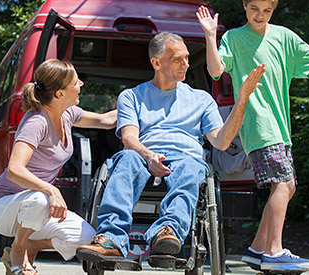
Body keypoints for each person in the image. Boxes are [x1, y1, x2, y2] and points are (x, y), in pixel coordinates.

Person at [196, 0, 309, 270]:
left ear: (273, 11)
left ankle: (257, 249)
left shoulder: (284, 37)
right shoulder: (234, 38)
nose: (259, 15)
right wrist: (210, 36)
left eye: (266, 11)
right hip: (257, 123)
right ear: (245, 6)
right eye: (254, 8)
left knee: (285, 186)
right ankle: (274, 251)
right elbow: (215, 71)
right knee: (283, 184)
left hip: (280, 126)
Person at [75, 32, 265, 262]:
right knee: (126, 158)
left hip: (186, 157)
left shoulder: (202, 99)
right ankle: (111, 238)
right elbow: (129, 137)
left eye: (186, 58)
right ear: (156, 63)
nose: (185, 64)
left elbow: (222, 142)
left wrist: (242, 99)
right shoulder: (131, 97)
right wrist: (148, 155)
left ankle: (168, 232)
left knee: (192, 166)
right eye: (178, 59)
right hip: (142, 155)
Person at [0, 59, 117, 275]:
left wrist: (140, 103)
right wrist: (51, 189)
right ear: (59, 93)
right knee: (40, 197)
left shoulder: (67, 114)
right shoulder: (36, 122)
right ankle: (18, 248)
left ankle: (30, 246)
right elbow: (14, 169)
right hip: (5, 208)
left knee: (85, 238)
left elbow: (106, 120)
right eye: (76, 82)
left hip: (37, 209)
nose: (81, 84)